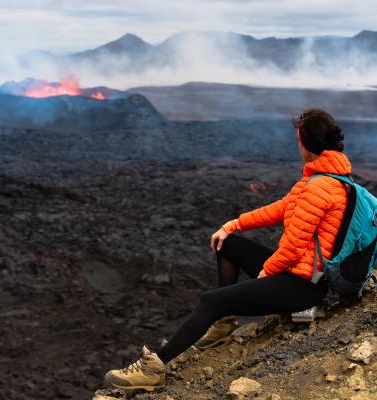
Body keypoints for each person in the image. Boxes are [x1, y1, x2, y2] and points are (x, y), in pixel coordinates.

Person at [104, 109, 350, 391]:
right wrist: (233, 225)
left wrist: (265, 277)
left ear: (305, 142)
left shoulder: (318, 188)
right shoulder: (321, 180)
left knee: (212, 300)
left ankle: (153, 369)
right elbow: (281, 209)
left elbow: (293, 249)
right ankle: (224, 325)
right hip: (304, 276)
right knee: (227, 242)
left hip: (302, 286)